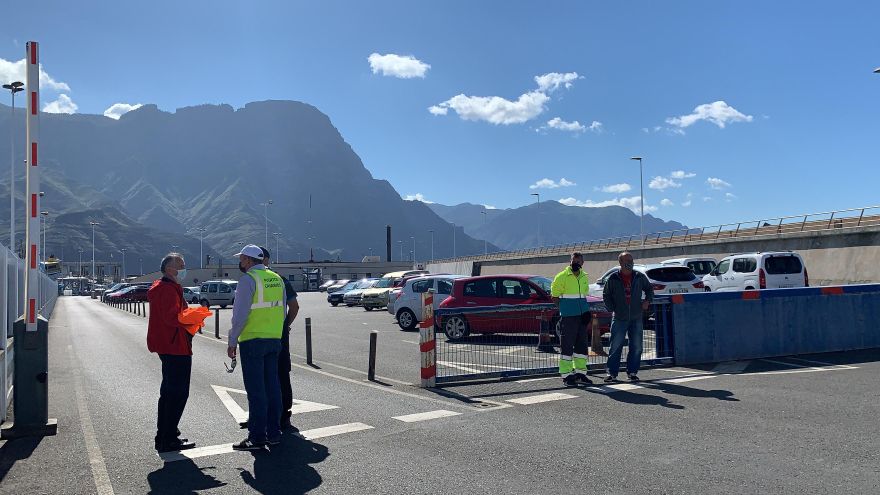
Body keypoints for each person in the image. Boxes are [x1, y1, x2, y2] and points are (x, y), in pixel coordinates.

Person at [228, 244, 287, 451]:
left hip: (252, 340)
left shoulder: (248, 280)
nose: (240, 262)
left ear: (248, 260)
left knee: (256, 391)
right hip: (273, 339)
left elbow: (240, 315)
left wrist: (232, 340)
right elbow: (283, 310)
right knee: (273, 387)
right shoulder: (277, 278)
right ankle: (274, 433)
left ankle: (257, 437)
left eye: (242, 258)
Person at [147, 252, 196, 453]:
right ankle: (167, 437)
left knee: (168, 392)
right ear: (169, 269)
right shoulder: (167, 290)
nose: (184, 268)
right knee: (177, 393)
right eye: (180, 265)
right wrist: (194, 317)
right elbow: (172, 318)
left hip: (168, 345)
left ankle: (167, 434)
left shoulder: (164, 287)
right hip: (175, 346)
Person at [602, 252, 654, 383]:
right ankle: (611, 373)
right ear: (620, 262)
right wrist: (612, 308)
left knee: (637, 347)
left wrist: (648, 301)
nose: (630, 263)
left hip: (636, 317)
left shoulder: (639, 276)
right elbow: (606, 295)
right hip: (619, 317)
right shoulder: (613, 278)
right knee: (615, 346)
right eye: (627, 260)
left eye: (631, 260)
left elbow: (649, 289)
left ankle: (632, 372)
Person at [550, 252, 593, 387]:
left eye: (578, 261)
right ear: (570, 261)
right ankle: (567, 375)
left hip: (582, 316)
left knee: (582, 346)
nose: (576, 263)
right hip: (568, 317)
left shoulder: (584, 277)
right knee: (567, 346)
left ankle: (580, 373)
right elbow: (554, 296)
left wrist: (586, 312)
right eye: (574, 261)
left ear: (582, 263)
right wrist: (565, 310)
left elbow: (583, 296)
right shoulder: (561, 277)